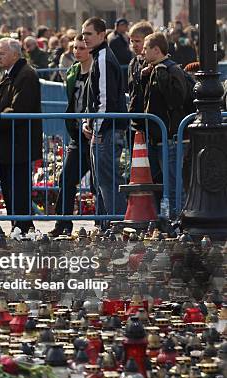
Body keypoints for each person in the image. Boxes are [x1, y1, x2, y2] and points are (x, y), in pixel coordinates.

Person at [0, 38, 42, 233]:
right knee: (9, 188)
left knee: (19, 188)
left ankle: (23, 227)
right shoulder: (9, 74)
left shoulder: (26, 75)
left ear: (15, 54)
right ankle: (17, 226)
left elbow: (19, 109)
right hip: (8, 142)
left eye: (2, 53)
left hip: (18, 143)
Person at [81, 17, 128, 224]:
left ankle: (117, 226)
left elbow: (105, 100)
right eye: (83, 34)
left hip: (106, 132)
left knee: (107, 182)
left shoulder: (103, 58)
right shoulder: (100, 56)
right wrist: (88, 122)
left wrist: (97, 129)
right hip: (103, 129)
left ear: (101, 34)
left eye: (89, 34)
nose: (85, 38)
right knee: (101, 182)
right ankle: (106, 226)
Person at [50, 35, 94, 236]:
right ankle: (63, 223)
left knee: (97, 184)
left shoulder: (97, 72)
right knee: (66, 179)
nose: (77, 51)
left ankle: (104, 224)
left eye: (81, 48)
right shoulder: (74, 72)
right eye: (75, 48)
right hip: (78, 136)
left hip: (95, 135)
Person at [141, 32, 188, 218]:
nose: (142, 52)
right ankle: (170, 218)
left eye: (146, 48)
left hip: (171, 136)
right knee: (165, 182)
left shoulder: (171, 69)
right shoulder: (152, 69)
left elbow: (176, 99)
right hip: (158, 137)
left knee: (174, 183)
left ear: (156, 50)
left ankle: (179, 219)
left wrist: (160, 73)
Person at [127, 21, 155, 145]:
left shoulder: (155, 63)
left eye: (137, 41)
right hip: (135, 121)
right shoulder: (133, 63)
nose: (134, 45)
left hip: (151, 123)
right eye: (132, 41)